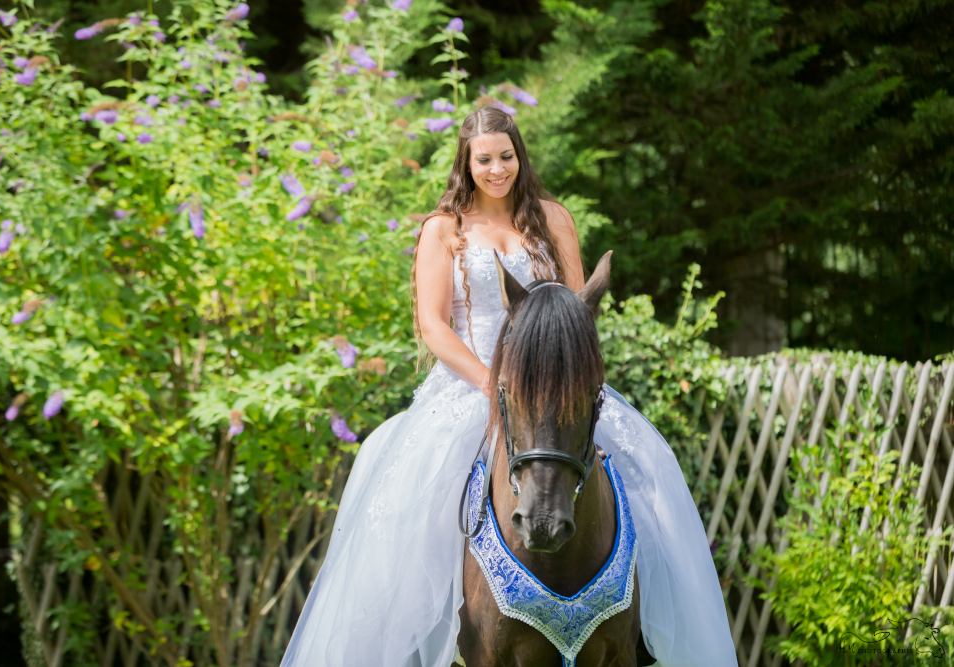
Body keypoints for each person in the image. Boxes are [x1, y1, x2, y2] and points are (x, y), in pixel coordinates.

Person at [281, 107, 736, 667]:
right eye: (484, 159)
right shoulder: (444, 229)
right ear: (465, 164)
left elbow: (574, 314)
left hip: (553, 386)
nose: (497, 169)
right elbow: (433, 325)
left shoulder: (554, 220)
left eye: (506, 156)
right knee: (415, 502)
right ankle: (441, 626)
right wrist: (494, 382)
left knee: (649, 473)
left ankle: (646, 624)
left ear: (519, 156)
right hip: (473, 385)